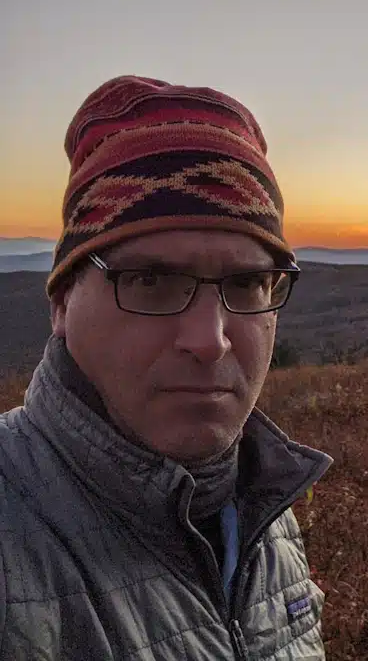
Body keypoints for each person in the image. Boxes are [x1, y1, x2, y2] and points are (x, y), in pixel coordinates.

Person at [0, 75, 334, 659]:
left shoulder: (261, 509)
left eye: (248, 283)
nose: (209, 341)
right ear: (61, 301)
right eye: (151, 281)